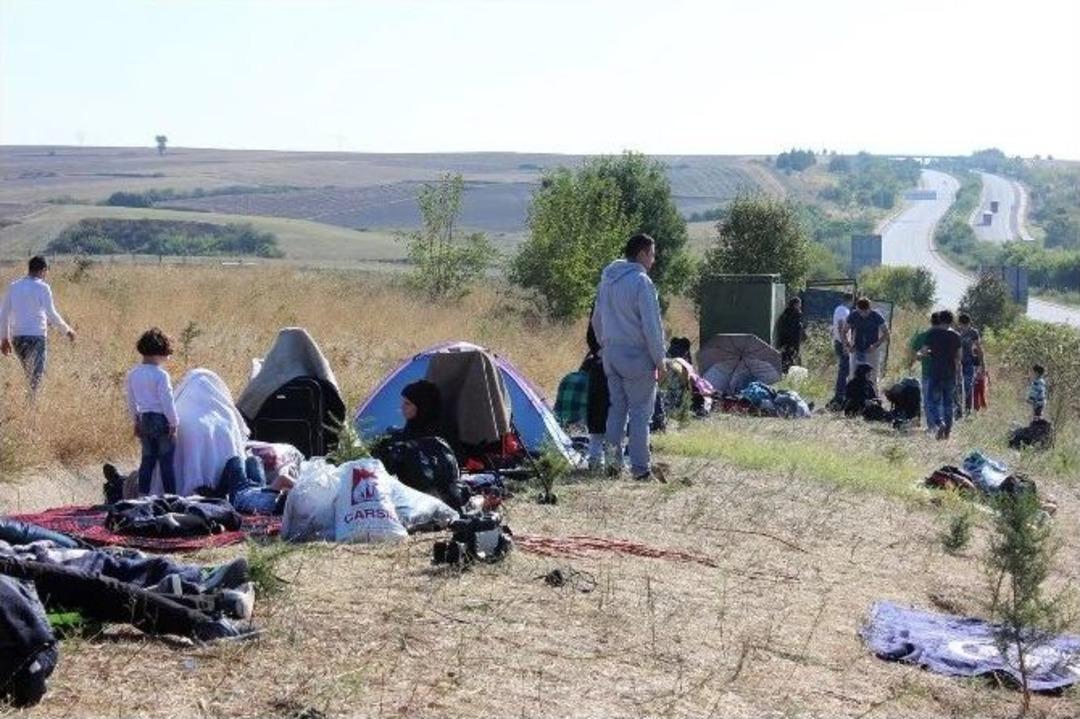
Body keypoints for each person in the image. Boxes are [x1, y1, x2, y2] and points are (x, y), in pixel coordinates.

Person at [592, 233, 666, 481]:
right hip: (637, 357)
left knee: (616, 411)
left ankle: (612, 466)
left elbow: (596, 320)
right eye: (652, 254)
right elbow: (652, 327)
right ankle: (640, 469)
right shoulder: (641, 282)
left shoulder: (607, 279)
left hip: (611, 355)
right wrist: (660, 360)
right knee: (640, 415)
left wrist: (605, 347)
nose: (653, 260)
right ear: (642, 253)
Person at [0, 255, 76, 394]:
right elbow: (51, 314)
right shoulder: (43, 287)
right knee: (36, 378)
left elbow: (3, 314)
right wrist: (67, 330)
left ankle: (28, 407)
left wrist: (4, 339)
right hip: (36, 337)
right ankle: (32, 410)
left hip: (18, 337)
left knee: (29, 375)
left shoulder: (14, 287)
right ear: (43, 270)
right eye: (46, 271)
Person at [127, 328, 179, 495]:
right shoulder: (161, 375)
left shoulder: (133, 374)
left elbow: (131, 400)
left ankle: (143, 495)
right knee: (166, 463)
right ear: (160, 352)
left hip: (144, 420)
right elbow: (167, 401)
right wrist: (174, 422)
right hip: (161, 420)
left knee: (147, 460)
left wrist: (135, 421)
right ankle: (171, 497)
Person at [919, 309, 962, 440]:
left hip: (935, 371)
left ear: (940, 319)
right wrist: (958, 374)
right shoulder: (956, 336)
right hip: (950, 373)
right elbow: (959, 357)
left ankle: (939, 423)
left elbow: (924, 352)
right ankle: (947, 432)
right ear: (951, 320)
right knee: (948, 403)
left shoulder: (933, 334)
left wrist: (929, 353)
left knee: (932, 401)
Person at [583, 313, 610, 472]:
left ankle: (595, 459)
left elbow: (591, 334)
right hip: (613, 364)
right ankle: (605, 460)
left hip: (600, 365)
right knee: (610, 414)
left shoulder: (602, 294)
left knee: (597, 415)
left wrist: (599, 353)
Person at [844, 297, 889, 388]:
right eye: (860, 311)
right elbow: (844, 331)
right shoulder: (853, 315)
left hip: (871, 350)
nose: (862, 314)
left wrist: (875, 345)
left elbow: (886, 333)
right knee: (853, 375)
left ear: (869, 309)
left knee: (872, 377)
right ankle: (853, 398)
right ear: (857, 309)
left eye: (865, 312)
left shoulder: (876, 316)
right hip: (856, 350)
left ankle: (874, 398)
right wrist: (848, 345)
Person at [909, 312, 940, 426]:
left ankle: (932, 427)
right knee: (940, 400)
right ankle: (941, 425)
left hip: (928, 372)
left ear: (931, 322)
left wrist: (919, 357)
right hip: (945, 373)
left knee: (928, 400)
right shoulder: (950, 336)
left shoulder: (923, 336)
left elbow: (913, 353)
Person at [828, 292, 853, 409]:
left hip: (839, 342)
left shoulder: (838, 309)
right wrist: (845, 345)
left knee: (844, 370)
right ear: (850, 301)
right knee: (844, 371)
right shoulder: (844, 311)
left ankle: (841, 395)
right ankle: (840, 397)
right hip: (842, 343)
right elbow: (840, 326)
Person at [956, 313, 983, 416]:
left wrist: (981, 364)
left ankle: (967, 409)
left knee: (968, 385)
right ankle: (959, 409)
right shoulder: (957, 332)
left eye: (965, 324)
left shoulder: (973, 332)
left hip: (969, 361)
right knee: (958, 385)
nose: (963, 327)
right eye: (963, 325)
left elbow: (978, 348)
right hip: (958, 362)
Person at [775, 296, 806, 373]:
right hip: (791, 343)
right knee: (791, 361)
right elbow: (793, 331)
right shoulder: (795, 315)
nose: (800, 306)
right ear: (795, 305)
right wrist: (792, 345)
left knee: (786, 360)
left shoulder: (786, 314)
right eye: (799, 304)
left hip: (785, 342)